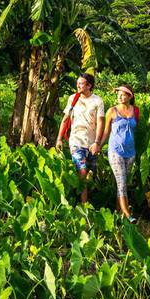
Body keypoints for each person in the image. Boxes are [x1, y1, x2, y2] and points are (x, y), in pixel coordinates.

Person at [55, 72, 105, 204]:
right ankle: (84, 206)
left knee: (89, 174)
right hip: (76, 140)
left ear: (89, 85)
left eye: (81, 83)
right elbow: (65, 119)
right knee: (82, 172)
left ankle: (85, 200)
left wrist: (97, 142)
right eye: (77, 83)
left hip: (91, 143)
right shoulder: (73, 98)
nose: (78, 85)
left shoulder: (97, 101)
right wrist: (59, 139)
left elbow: (100, 122)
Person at [99, 84, 138, 220]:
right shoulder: (112, 111)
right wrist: (98, 145)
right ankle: (127, 214)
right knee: (121, 182)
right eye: (118, 94)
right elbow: (106, 132)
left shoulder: (136, 111)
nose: (120, 97)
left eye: (123, 94)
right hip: (115, 151)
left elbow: (136, 131)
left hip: (131, 153)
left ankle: (118, 214)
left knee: (123, 184)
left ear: (129, 96)